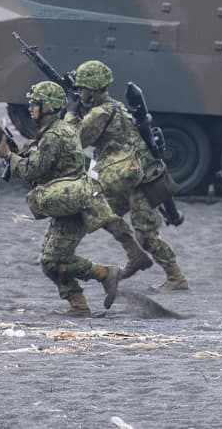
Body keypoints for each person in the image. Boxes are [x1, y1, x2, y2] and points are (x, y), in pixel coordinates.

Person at [0, 81, 121, 316]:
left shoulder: (55, 135)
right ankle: (79, 304)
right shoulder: (53, 132)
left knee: (52, 260)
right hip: (68, 203)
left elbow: (32, 170)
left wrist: (8, 156)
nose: (31, 109)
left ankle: (104, 274)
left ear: (49, 107)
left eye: (35, 104)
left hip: (74, 206)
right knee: (51, 261)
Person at [68, 60, 188, 293]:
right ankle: (135, 256)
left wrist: (71, 113)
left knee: (146, 235)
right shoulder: (117, 107)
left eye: (82, 88)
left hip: (138, 183)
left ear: (92, 89)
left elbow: (74, 142)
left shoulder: (100, 114)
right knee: (103, 214)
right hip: (127, 177)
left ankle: (176, 277)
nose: (80, 92)